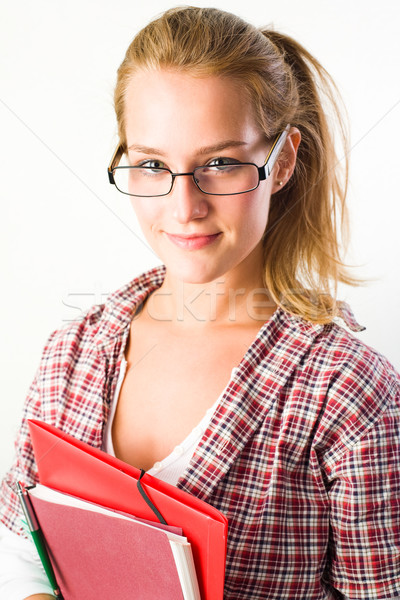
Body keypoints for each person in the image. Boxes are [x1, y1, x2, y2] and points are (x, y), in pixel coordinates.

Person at [0, 6, 399, 600]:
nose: (184, 207)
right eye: (153, 164)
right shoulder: (75, 351)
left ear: (282, 160)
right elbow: (20, 546)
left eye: (219, 163)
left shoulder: (347, 395)